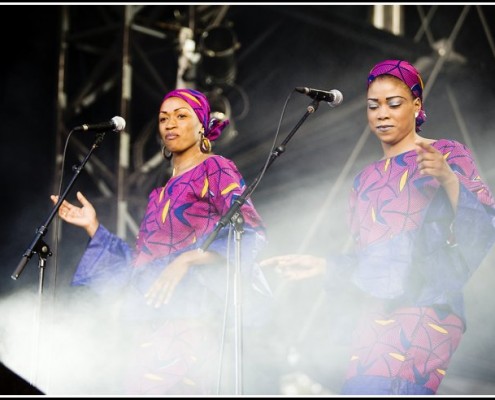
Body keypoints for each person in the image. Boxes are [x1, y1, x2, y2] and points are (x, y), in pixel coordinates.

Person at [260, 59, 495, 395]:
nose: (381, 113)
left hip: (425, 304)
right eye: (373, 106)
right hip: (375, 310)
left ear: (416, 106)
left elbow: (484, 228)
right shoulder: (364, 181)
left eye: (393, 103)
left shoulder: (446, 152)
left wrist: (448, 178)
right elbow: (370, 262)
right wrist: (323, 265)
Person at [51, 88, 272, 395]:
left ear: (201, 125)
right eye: (163, 118)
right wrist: (93, 227)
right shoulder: (159, 195)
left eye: (181, 116)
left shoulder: (215, 167)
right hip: (151, 325)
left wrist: (188, 258)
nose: (170, 124)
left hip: (195, 321)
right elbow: (140, 264)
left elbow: (247, 231)